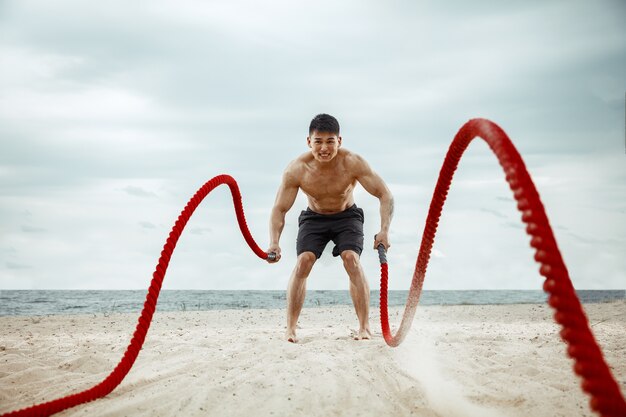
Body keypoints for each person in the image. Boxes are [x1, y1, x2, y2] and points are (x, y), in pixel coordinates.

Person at [266, 113, 394, 343]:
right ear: (309, 142)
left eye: (330, 142)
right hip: (314, 218)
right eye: (318, 142)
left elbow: (384, 194)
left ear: (339, 141)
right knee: (303, 261)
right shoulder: (297, 169)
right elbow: (279, 209)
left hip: (347, 216)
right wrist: (274, 241)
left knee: (351, 259)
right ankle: (291, 329)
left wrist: (385, 230)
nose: (324, 148)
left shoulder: (353, 162)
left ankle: (364, 327)